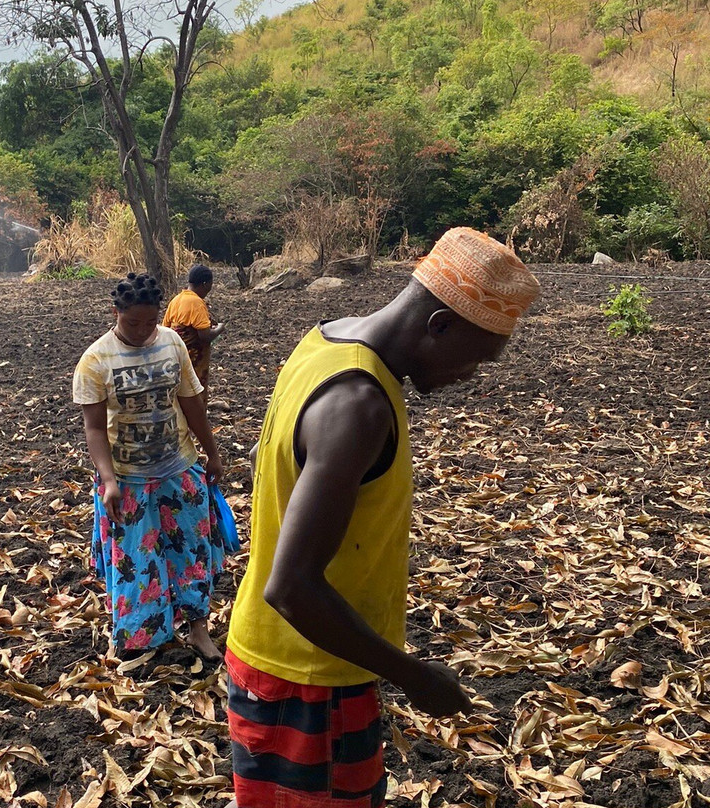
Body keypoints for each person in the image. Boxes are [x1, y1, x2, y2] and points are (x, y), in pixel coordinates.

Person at [225, 228, 541, 807]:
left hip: (298, 660)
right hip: (306, 677)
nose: (469, 377)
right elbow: (291, 588)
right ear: (439, 325)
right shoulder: (360, 404)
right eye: (475, 358)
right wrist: (418, 678)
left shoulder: (325, 342)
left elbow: (268, 464)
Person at [73, 272, 230, 660]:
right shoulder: (95, 360)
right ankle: (142, 634)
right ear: (116, 312)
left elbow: (192, 401)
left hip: (178, 466)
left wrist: (212, 451)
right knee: (136, 562)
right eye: (133, 323)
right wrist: (108, 480)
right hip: (128, 477)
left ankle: (198, 629)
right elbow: (94, 429)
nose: (143, 330)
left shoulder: (172, 342)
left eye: (150, 322)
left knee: (191, 552)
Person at [163, 264, 226, 406]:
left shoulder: (176, 300)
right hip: (193, 360)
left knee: (179, 393)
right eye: (210, 284)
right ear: (205, 284)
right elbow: (205, 336)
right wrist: (220, 329)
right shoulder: (196, 302)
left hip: (174, 357)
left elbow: (166, 328)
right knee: (195, 392)